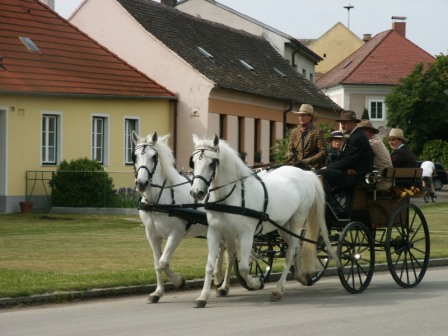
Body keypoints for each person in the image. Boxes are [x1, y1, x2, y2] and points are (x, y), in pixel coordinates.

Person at [316, 110, 374, 215]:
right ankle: (330, 201)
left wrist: (328, 168)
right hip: (350, 172)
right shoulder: (353, 136)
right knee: (320, 173)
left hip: (356, 175)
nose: (342, 125)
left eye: (345, 123)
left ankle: (334, 207)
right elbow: (343, 158)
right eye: (341, 123)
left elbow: (348, 161)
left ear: (353, 122)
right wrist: (329, 167)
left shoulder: (357, 137)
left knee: (320, 174)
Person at [285, 104, 326, 170]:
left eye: (304, 115)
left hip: (313, 167)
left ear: (310, 117)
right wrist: (289, 154)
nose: (301, 118)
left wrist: (309, 160)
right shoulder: (294, 131)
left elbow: (323, 152)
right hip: (296, 166)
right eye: (300, 115)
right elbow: (290, 149)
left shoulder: (317, 132)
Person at [358, 120, 393, 190]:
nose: (359, 134)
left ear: (369, 132)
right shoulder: (377, 142)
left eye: (361, 131)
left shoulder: (372, 143)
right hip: (385, 180)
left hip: (379, 182)